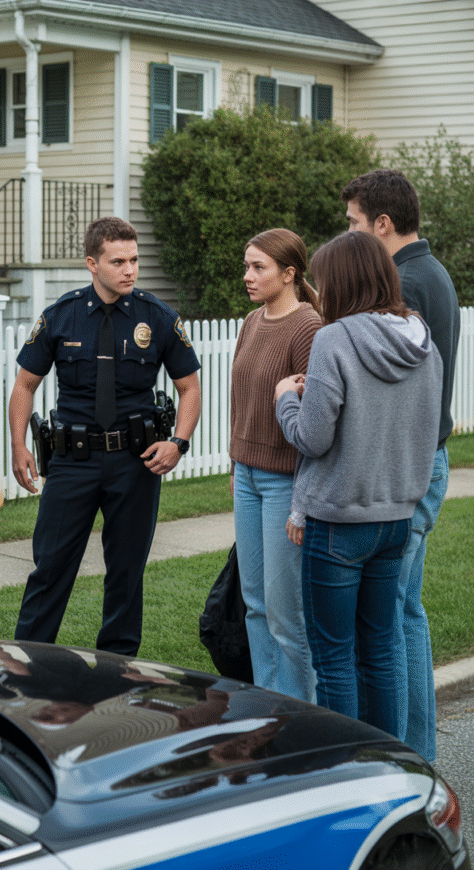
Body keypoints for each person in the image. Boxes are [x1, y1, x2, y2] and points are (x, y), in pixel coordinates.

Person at [275, 230, 442, 736]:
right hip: (395, 520)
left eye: (322, 282)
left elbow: (312, 438)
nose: (319, 293)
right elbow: (425, 430)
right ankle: (389, 766)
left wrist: (287, 397)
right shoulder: (423, 341)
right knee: (381, 651)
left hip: (337, 523)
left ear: (343, 283)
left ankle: (343, 773)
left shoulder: (334, 338)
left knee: (334, 659)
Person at [9, 217, 201, 656]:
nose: (130, 269)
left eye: (134, 260)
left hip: (136, 463)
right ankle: (29, 663)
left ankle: (119, 668)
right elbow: (25, 385)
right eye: (119, 261)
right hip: (72, 462)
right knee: (51, 567)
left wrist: (180, 442)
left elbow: (189, 387)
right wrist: (18, 445)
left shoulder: (158, 316)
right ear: (92, 264)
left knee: (126, 572)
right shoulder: (62, 315)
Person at [342, 169, 460, 760]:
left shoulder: (406, 285)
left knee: (384, 618)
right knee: (405, 611)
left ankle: (402, 758)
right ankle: (419, 754)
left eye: (356, 225)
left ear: (382, 224)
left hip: (405, 472)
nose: (352, 235)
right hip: (428, 460)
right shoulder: (431, 273)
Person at [229, 228, 321, 701]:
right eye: (246, 266)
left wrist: (303, 503)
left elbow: (314, 423)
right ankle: (268, 710)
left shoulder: (309, 327)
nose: (248, 275)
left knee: (287, 613)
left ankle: (301, 717)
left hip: (285, 482)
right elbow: (240, 400)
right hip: (246, 477)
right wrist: (234, 468)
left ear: (289, 274)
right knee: (254, 606)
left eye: (258, 267)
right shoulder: (251, 321)